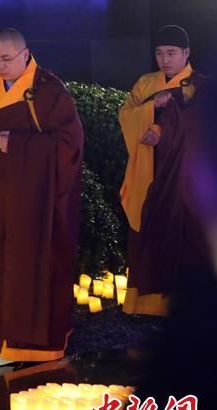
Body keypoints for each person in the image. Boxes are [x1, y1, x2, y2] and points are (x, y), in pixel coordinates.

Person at [0, 28, 84, 362]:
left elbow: (71, 146)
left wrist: (19, 144)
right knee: (0, 271)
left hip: (41, 204)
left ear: (26, 55)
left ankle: (44, 347)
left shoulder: (49, 91)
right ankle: (4, 341)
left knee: (41, 268)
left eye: (7, 59)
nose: (0, 66)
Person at [118, 25, 211, 316]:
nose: (165, 60)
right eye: (159, 54)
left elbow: (198, 125)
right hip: (148, 170)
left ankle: (184, 306)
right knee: (147, 234)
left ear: (186, 53)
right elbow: (125, 115)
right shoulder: (146, 83)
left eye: (171, 53)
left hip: (182, 176)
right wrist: (149, 109)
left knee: (184, 238)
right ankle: (145, 306)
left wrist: (161, 129)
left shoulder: (202, 86)